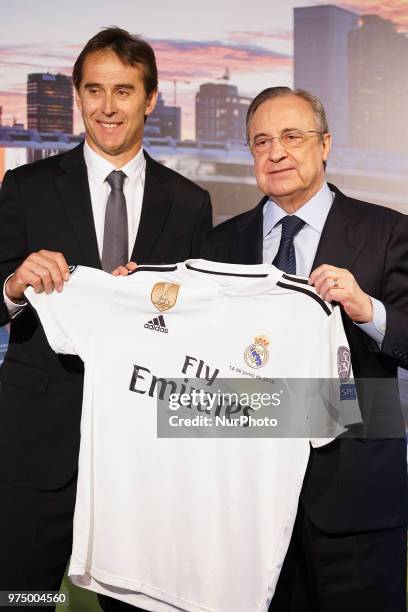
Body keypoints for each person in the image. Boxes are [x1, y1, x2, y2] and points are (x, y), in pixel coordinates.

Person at [0, 27, 211, 611]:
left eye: (123, 91)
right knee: (26, 596)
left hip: (143, 447)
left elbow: (198, 329)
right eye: (94, 90)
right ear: (78, 95)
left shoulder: (190, 201)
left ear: (150, 99)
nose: (107, 107)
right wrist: (15, 285)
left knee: (137, 601)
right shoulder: (24, 187)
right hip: (39, 439)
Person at [204, 86, 408, 612]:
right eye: (261, 142)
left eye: (292, 137)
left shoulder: (390, 232)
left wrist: (368, 311)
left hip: (356, 501)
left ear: (325, 144)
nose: (277, 153)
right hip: (246, 507)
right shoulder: (217, 246)